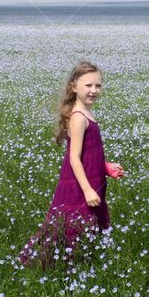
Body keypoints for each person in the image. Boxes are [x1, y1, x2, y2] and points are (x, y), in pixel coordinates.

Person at [18, 61, 124, 269]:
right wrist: (87, 190)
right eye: (88, 85)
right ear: (74, 86)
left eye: (98, 86)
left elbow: (88, 154)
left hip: (91, 179)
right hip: (79, 185)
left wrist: (106, 166)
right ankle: (51, 266)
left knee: (83, 225)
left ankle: (74, 264)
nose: (94, 91)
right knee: (70, 225)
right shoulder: (78, 118)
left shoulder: (86, 114)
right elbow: (74, 158)